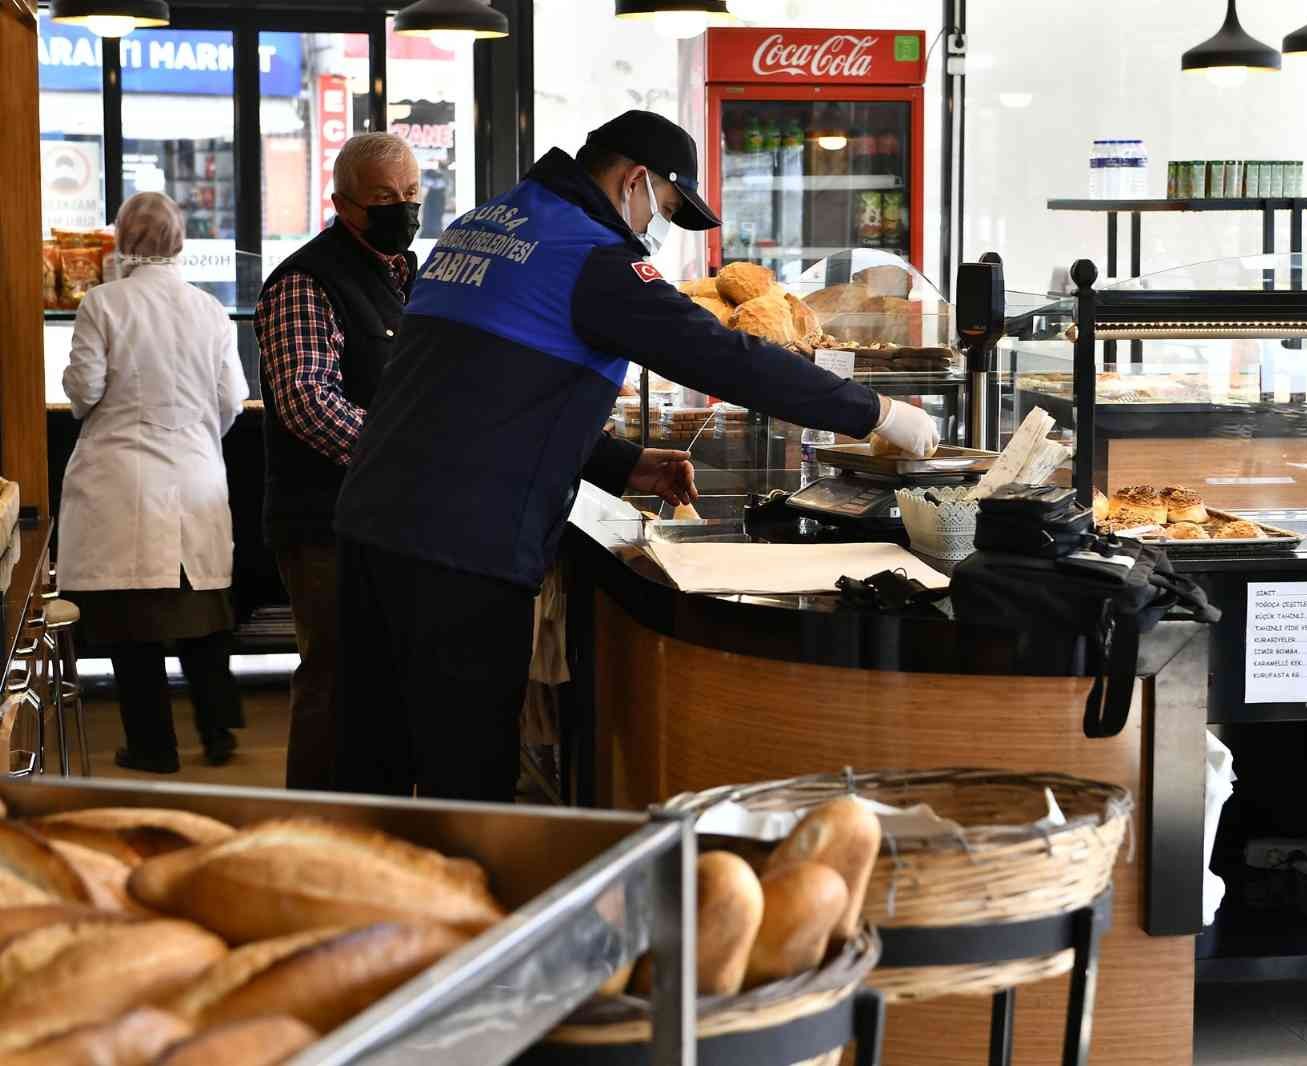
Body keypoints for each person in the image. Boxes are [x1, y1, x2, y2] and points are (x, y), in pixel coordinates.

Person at [333, 109, 939, 803]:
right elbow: (725, 358)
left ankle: (355, 897)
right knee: (465, 776)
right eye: (665, 209)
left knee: (369, 759)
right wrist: (879, 413)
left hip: (374, 521)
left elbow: (479, 396)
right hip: (464, 544)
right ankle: (472, 911)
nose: (653, 228)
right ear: (634, 180)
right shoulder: (589, 253)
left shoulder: (487, 223)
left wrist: (621, 464)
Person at [58, 191, 249, 773]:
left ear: (120, 238)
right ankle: (218, 734)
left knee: (131, 626)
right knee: (203, 615)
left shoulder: (102, 304)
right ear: (180, 241)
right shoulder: (209, 309)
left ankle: (153, 747)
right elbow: (232, 400)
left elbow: (84, 389)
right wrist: (195, 435)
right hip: (195, 474)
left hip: (122, 479)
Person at [255, 133, 421, 791]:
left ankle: (374, 814)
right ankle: (318, 821)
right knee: (334, 678)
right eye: (383, 198)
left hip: (386, 516)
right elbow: (304, 399)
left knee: (380, 680)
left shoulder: (405, 275)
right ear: (342, 203)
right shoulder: (306, 280)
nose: (401, 210)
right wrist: (404, 455)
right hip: (322, 519)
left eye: (410, 195)